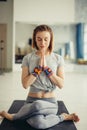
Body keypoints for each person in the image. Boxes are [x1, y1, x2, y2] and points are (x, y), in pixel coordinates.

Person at [0, 25, 79, 129]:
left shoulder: (58, 58)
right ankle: (63, 117)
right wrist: (37, 70)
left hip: (50, 103)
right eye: (39, 39)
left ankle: (13, 117)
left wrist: (47, 70)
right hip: (31, 103)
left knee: (39, 106)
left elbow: (61, 84)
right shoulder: (27, 58)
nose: (42, 43)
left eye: (46, 39)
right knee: (39, 124)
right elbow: (25, 84)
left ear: (50, 40)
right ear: (35, 40)